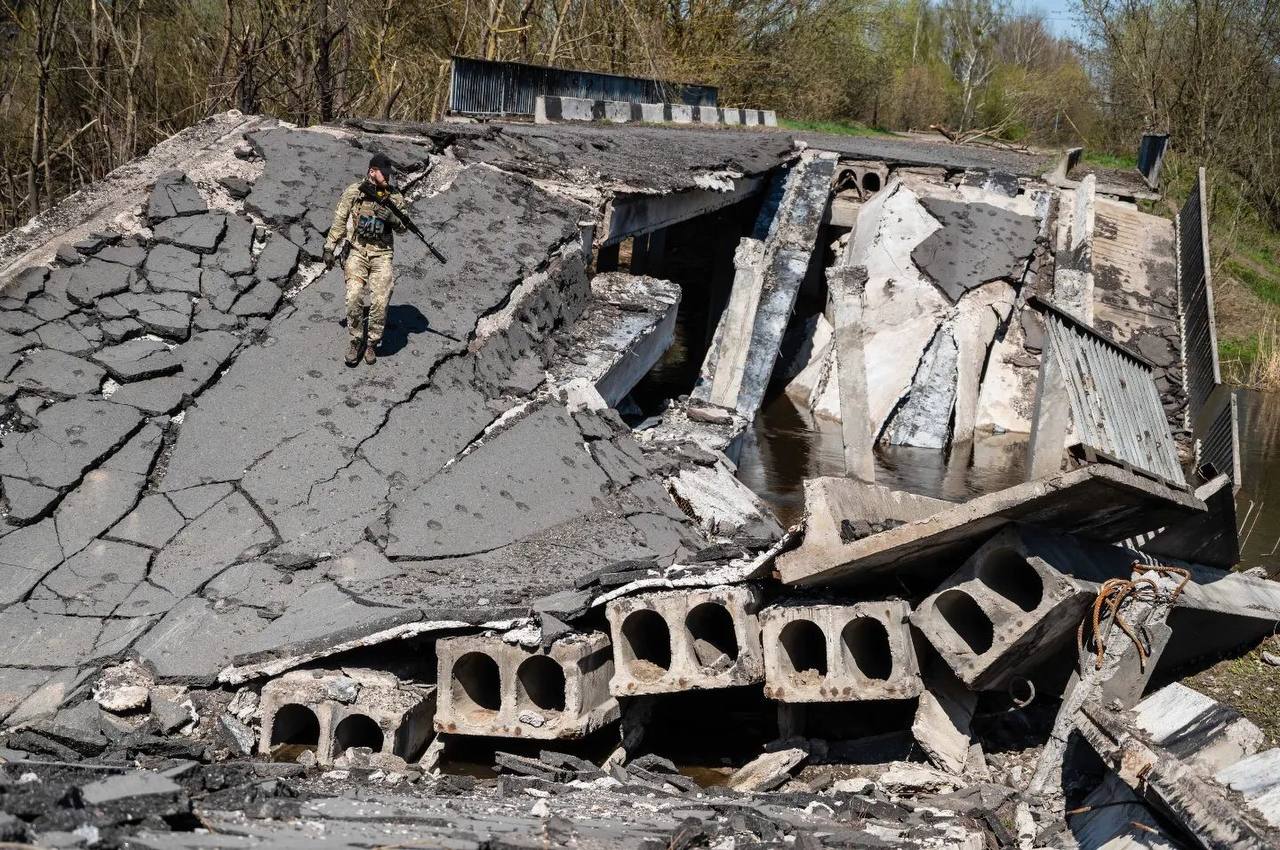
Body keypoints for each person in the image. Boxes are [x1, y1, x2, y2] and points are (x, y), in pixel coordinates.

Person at [323, 153, 407, 366]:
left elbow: (404, 227)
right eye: (384, 173)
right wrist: (329, 247)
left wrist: (392, 218)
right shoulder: (354, 192)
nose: (388, 178)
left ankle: (372, 343)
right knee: (354, 297)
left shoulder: (394, 197)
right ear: (372, 171)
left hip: (382, 254)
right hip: (357, 251)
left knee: (380, 299)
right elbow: (340, 219)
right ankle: (356, 339)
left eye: (389, 174)